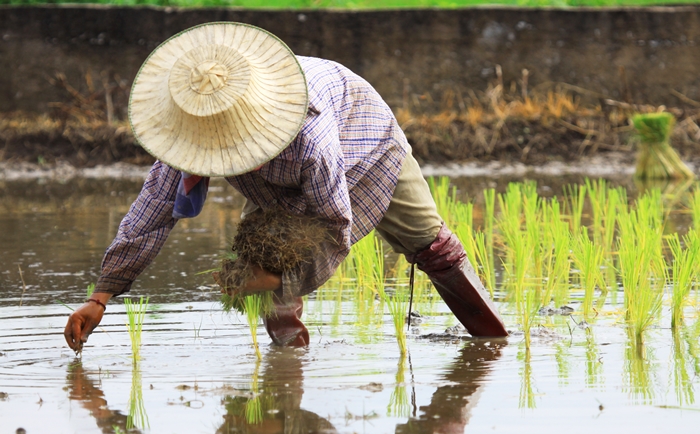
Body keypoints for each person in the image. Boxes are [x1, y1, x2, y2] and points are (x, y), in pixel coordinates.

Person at [64, 22, 507, 353]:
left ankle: (495, 344)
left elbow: (334, 226)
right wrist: (101, 296)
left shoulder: (308, 141)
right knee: (262, 255)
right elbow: (155, 208)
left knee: (430, 245)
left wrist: (280, 276)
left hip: (364, 140)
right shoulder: (190, 131)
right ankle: (288, 366)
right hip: (287, 173)